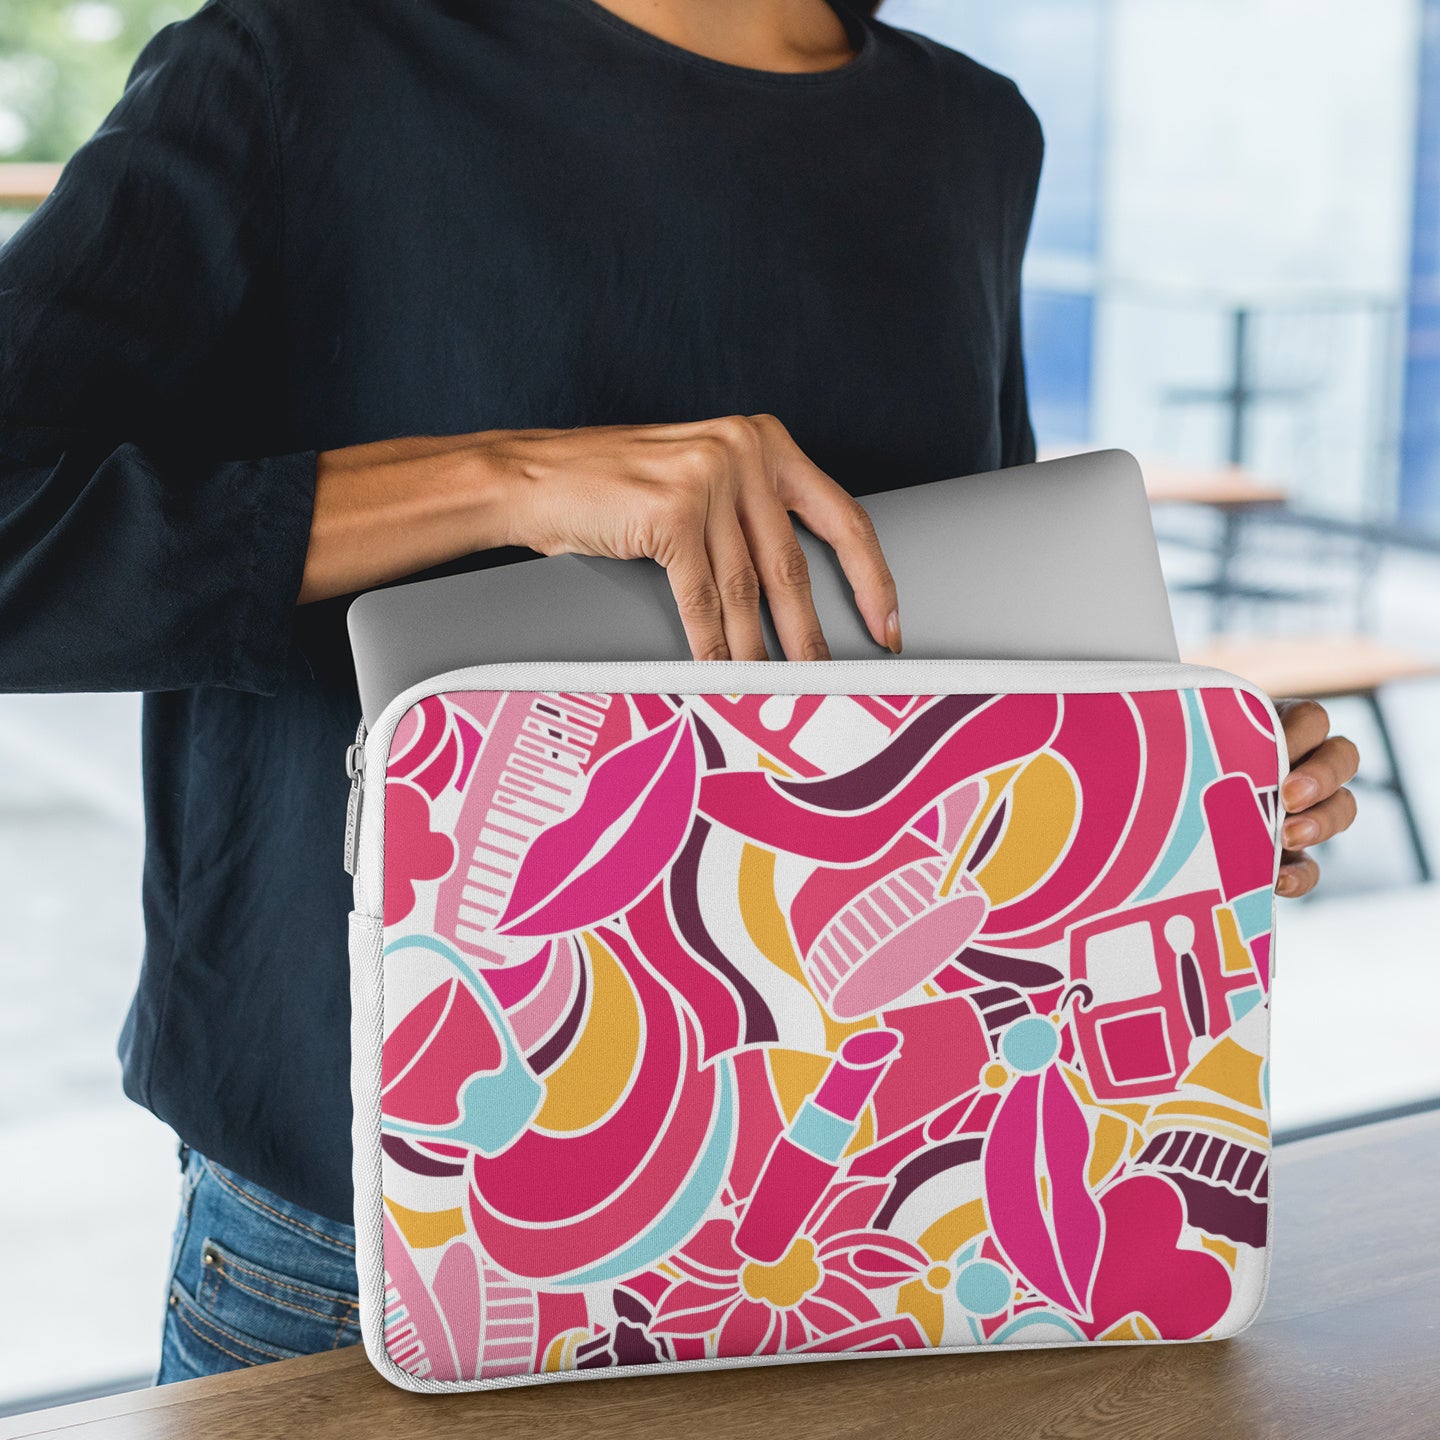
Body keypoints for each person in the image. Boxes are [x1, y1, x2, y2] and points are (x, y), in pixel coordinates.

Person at [0, 0, 1359, 1383]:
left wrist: (1193, 786)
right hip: (377, 1246)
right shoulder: (299, 63)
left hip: (887, 1234)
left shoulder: (972, 132)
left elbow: (947, 651)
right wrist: (508, 477)